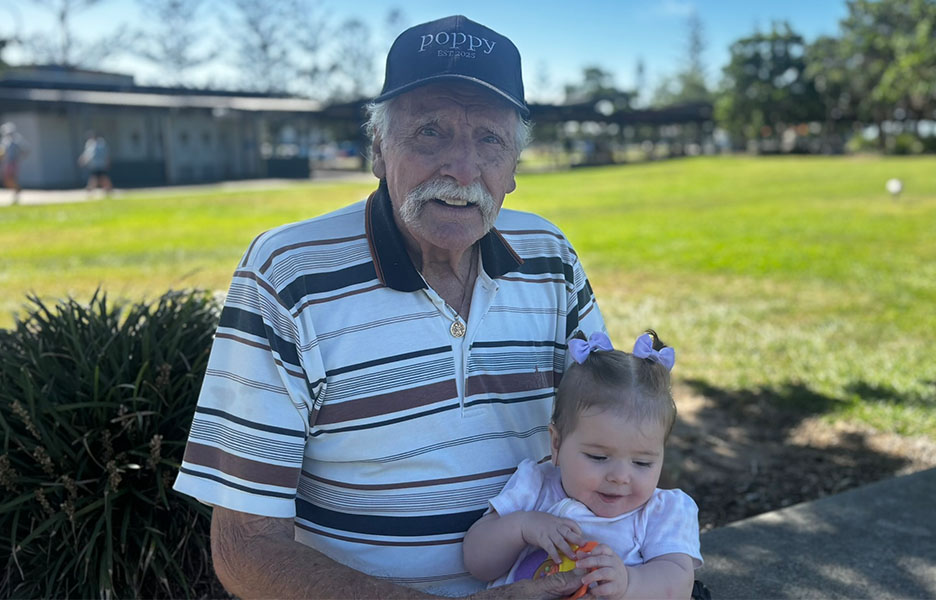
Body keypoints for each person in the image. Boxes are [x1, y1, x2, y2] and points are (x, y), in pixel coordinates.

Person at [172, 14, 606, 599]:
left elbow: (618, 440)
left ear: (514, 168)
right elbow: (244, 548)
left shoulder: (549, 257)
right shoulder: (289, 272)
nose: (462, 167)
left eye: (490, 139)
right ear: (378, 148)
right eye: (430, 131)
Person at [463, 331, 702, 599]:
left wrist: (629, 583)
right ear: (556, 444)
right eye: (599, 458)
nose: (620, 476)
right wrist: (522, 527)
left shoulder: (660, 513)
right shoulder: (536, 486)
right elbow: (477, 562)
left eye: (642, 462)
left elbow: (678, 584)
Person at [0, 122, 28, 205]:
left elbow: (25, 150)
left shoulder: (16, 140)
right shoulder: (5, 140)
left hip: (12, 163)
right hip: (6, 163)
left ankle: (17, 193)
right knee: (7, 180)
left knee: (11, 178)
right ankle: (17, 190)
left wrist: (18, 158)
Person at [78, 131, 112, 196]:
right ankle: (92, 189)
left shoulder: (102, 144)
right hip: (94, 165)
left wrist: (108, 162)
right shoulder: (90, 145)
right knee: (96, 177)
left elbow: (106, 154)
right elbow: (87, 154)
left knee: (102, 177)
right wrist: (83, 159)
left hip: (101, 164)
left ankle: (106, 189)